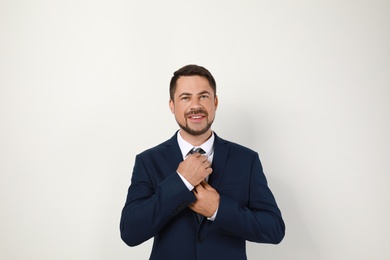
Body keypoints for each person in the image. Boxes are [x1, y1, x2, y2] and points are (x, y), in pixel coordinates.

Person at [120, 64, 285, 260]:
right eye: (185, 97)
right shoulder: (148, 161)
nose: (195, 105)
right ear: (172, 105)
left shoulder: (246, 160)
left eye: (203, 96)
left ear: (215, 102)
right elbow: (130, 232)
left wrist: (218, 209)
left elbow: (274, 228)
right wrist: (181, 182)